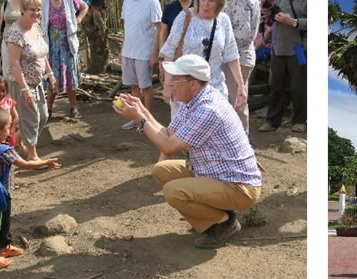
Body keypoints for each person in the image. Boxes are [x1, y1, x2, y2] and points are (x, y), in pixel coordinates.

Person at [112, 54, 263, 249]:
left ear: (192, 84)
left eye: (175, 79)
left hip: (238, 186)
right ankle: (215, 215)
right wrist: (141, 110)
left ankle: (224, 222)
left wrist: (140, 120)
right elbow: (167, 134)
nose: (169, 83)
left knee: (173, 192)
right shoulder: (193, 101)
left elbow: (168, 146)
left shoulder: (208, 110)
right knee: (161, 170)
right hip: (215, 173)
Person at [0, 107, 62, 269]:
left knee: (3, 221)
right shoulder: (4, 151)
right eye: (8, 128)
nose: (10, 131)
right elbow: (26, 164)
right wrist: (46, 162)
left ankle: (4, 246)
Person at [159, 0, 248, 128]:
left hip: (214, 88)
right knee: (181, 135)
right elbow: (168, 52)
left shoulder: (224, 21)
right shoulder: (184, 17)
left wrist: (241, 85)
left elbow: (232, 55)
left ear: (219, 3)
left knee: (214, 134)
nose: (206, 4)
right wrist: (168, 84)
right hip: (185, 88)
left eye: (211, 1)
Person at [5, 0, 55, 162]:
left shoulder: (35, 26)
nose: (37, 13)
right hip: (21, 83)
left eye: (39, 9)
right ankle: (32, 155)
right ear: (23, 10)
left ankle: (17, 141)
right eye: (32, 10)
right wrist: (25, 89)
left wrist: (50, 74)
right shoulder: (15, 33)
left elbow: (42, 54)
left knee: (43, 115)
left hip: (38, 81)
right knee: (31, 118)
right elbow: (14, 64)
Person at [258, 0, 306, 133]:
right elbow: (273, 23)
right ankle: (272, 121)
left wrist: (293, 22)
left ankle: (300, 121)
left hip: (299, 49)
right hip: (277, 48)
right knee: (275, 86)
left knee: (299, 86)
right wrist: (267, 17)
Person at [121, 0, 163, 130]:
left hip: (144, 52)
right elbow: (126, 27)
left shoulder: (152, 2)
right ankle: (136, 118)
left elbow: (160, 28)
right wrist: (122, 49)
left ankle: (147, 122)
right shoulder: (126, 2)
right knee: (134, 86)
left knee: (145, 88)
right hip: (128, 51)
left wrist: (155, 53)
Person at [42, 0, 87, 119]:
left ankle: (73, 108)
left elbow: (84, 7)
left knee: (71, 77)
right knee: (53, 77)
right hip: (52, 48)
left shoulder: (70, 1)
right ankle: (49, 109)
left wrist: (78, 20)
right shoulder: (44, 3)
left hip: (68, 46)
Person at [223, 0, 260, 133]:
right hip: (237, 56)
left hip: (238, 57)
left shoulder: (243, 2)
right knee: (237, 100)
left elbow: (242, 35)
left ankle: (239, 142)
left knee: (235, 101)